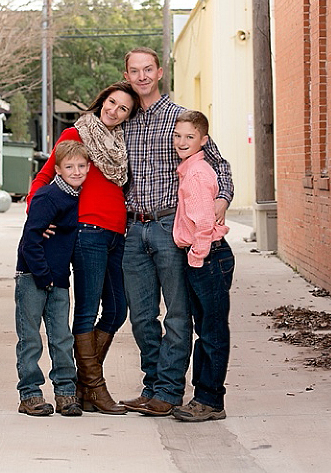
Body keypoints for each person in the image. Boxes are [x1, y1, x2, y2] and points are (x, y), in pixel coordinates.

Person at [119, 48, 233, 416]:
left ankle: (168, 392)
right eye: (134, 71)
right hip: (133, 228)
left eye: (147, 69)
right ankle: (153, 386)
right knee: (141, 317)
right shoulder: (123, 121)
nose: (142, 76)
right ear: (126, 74)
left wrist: (221, 200)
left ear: (159, 72)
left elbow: (220, 167)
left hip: (170, 227)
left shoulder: (180, 120)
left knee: (178, 315)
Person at [28, 81, 141, 414]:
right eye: (112, 102)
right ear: (102, 100)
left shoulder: (121, 143)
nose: (114, 111)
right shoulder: (76, 134)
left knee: (117, 310)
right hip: (87, 231)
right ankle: (95, 386)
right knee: (88, 310)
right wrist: (37, 216)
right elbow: (44, 177)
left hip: (117, 233)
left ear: (128, 116)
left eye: (124, 108)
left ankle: (84, 385)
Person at [14, 139, 89, 417]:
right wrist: (43, 276)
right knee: (30, 338)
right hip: (33, 277)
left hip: (58, 279)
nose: (76, 171)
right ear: (57, 169)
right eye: (69, 167)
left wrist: (56, 278)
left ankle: (66, 393)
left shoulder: (77, 197)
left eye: (81, 166)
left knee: (61, 338)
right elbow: (30, 240)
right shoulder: (47, 197)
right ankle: (30, 394)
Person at [171, 110, 235, 423]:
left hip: (207, 257)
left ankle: (210, 400)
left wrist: (197, 256)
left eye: (190, 137)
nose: (182, 141)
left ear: (203, 141)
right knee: (206, 329)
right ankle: (204, 397)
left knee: (212, 331)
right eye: (178, 135)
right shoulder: (190, 169)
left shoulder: (196, 173)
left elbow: (205, 221)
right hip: (203, 256)